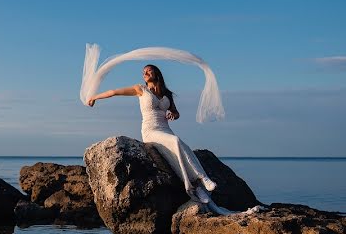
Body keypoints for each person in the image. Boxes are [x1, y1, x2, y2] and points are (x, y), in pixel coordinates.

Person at [86, 64, 236, 216]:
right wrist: (94, 97)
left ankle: (198, 189)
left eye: (148, 70)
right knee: (176, 142)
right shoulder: (140, 89)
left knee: (178, 152)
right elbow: (113, 92)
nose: (145, 73)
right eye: (143, 72)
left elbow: (176, 113)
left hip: (165, 130)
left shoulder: (166, 94)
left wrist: (172, 115)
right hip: (150, 131)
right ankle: (202, 177)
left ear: (156, 73)